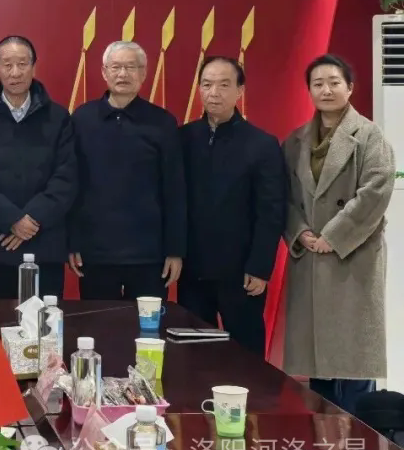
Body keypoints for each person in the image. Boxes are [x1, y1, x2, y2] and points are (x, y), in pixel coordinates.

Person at [283, 54, 394, 414]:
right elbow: (284, 197)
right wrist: (300, 233)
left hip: (352, 257)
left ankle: (363, 439)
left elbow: (376, 191)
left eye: (334, 82)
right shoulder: (296, 141)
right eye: (318, 84)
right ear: (309, 91)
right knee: (320, 366)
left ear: (350, 87)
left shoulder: (369, 136)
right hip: (311, 258)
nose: (326, 90)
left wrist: (333, 236)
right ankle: (325, 440)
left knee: (354, 360)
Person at [178, 56, 286, 355]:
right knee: (193, 354)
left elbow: (271, 211)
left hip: (242, 272)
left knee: (245, 355)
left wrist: (260, 267)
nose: (214, 93)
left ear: (240, 90)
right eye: (207, 84)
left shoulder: (262, 144)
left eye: (224, 85)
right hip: (192, 270)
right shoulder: (183, 138)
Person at [0, 35, 77, 300]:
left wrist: (32, 219)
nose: (15, 72)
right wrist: (12, 220)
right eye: (7, 65)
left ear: (34, 67)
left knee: (45, 323)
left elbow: (66, 176)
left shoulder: (59, 118)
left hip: (44, 244)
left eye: (22, 64)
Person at [69, 40, 186, 300]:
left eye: (131, 67)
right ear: (104, 72)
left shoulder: (162, 122)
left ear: (143, 73)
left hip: (149, 254)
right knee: (99, 322)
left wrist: (175, 249)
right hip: (95, 251)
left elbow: (174, 190)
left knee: (148, 325)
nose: (123, 74)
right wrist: (73, 241)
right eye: (116, 67)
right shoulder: (82, 119)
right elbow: (73, 185)